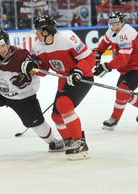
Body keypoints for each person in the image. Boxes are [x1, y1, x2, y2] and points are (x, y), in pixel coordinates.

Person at [0, 29, 64, 158]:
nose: (1, 49)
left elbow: (33, 71)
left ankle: (53, 142)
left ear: (8, 43)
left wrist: (25, 79)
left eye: (3, 45)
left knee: (36, 124)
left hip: (23, 96)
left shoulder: (22, 55)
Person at [22, 15, 96, 160]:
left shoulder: (67, 38)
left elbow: (90, 58)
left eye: (37, 30)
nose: (35, 33)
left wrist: (78, 71)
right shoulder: (37, 46)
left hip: (82, 76)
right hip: (64, 79)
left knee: (64, 104)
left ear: (45, 31)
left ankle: (80, 142)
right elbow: (43, 70)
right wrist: (34, 68)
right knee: (56, 115)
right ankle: (69, 140)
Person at [93, 11, 138, 130]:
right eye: (113, 24)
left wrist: (105, 67)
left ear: (122, 23)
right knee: (122, 93)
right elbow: (105, 42)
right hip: (132, 66)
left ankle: (114, 119)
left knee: (122, 92)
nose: (116, 27)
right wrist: (98, 53)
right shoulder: (111, 30)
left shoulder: (126, 34)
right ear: (110, 24)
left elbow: (122, 59)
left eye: (118, 24)